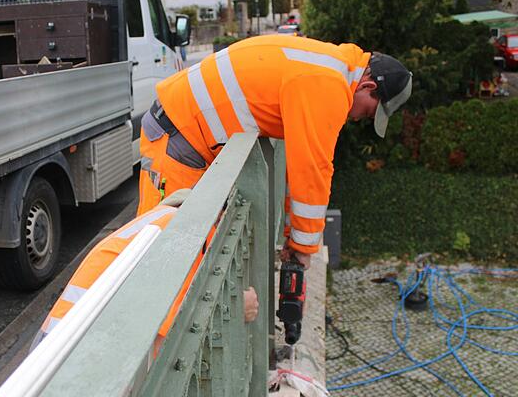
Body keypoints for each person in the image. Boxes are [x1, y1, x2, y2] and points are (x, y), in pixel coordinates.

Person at [137, 35, 412, 267]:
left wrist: (295, 234)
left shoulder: (330, 66)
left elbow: (302, 161)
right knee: (159, 247)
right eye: (367, 112)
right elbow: (312, 168)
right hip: (176, 137)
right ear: (368, 87)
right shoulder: (328, 85)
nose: (358, 118)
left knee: (175, 242)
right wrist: (303, 248)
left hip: (181, 131)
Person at [32, 189, 259, 354]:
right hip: (70, 355)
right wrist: (234, 307)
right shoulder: (184, 237)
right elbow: (168, 343)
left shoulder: (167, 220)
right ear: (218, 218)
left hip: (58, 346)